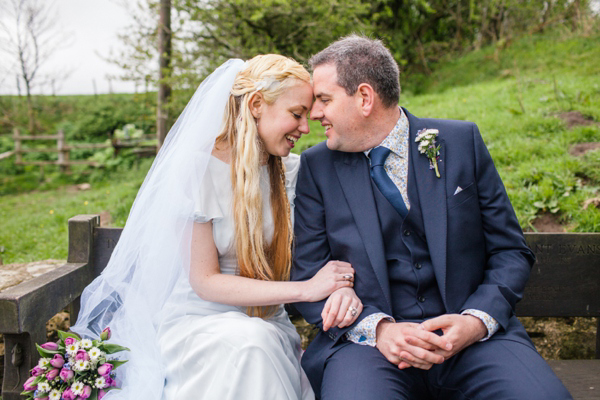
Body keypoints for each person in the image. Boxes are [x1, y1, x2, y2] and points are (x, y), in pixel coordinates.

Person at [291, 35, 572, 399]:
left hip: (473, 343)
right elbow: (309, 276)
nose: (315, 113)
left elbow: (510, 251)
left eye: (324, 100)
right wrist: (377, 329)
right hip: (368, 349)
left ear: (364, 97)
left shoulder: (460, 142)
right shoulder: (317, 167)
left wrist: (474, 322)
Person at [72, 55, 362, 400]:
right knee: (252, 347)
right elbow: (205, 281)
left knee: (258, 342)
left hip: (268, 324)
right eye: (297, 114)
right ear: (256, 104)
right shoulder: (197, 171)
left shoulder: (293, 171)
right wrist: (305, 289)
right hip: (198, 325)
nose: (305, 127)